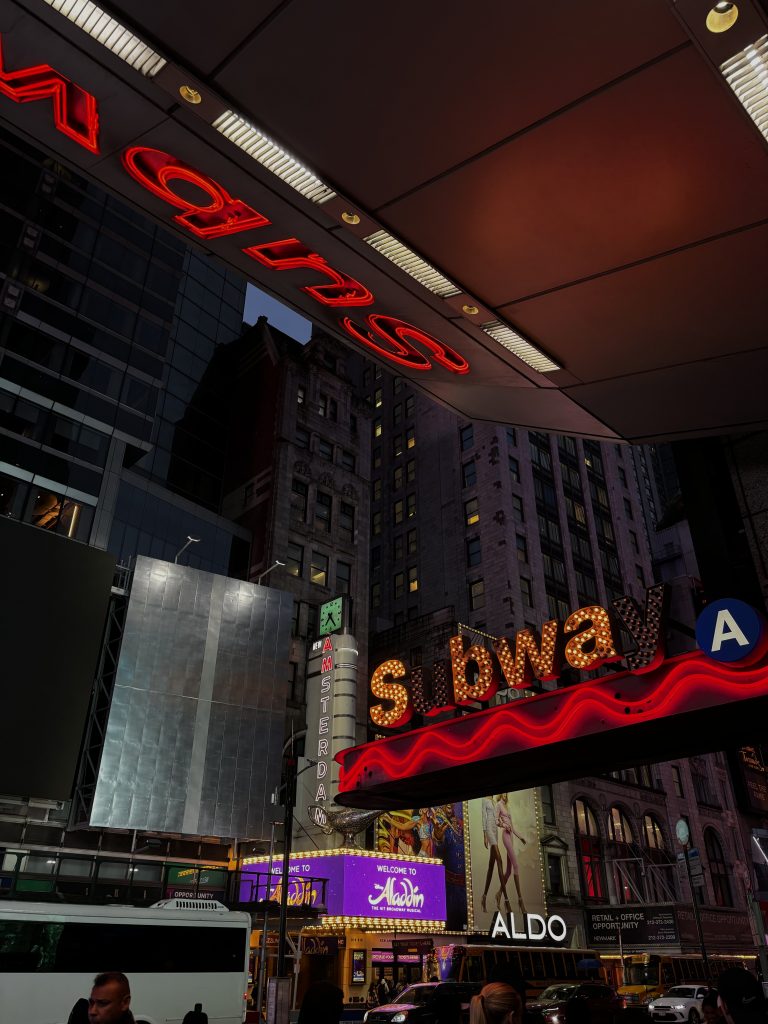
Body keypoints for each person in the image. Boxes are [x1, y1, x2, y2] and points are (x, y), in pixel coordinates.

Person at [496, 793, 528, 915]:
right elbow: (495, 820)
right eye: (503, 794)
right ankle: (520, 900)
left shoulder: (507, 807)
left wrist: (520, 837)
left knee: (509, 871)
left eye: (506, 794)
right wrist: (504, 825)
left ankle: (499, 894)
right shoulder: (498, 805)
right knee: (516, 866)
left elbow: (513, 827)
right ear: (501, 795)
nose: (504, 795)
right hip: (506, 836)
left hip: (512, 837)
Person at [480, 795, 504, 914]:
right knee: (499, 860)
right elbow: (484, 817)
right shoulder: (484, 800)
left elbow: (495, 818)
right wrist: (485, 835)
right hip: (489, 829)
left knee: (491, 865)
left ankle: (484, 896)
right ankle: (505, 898)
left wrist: (501, 823)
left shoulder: (494, 801)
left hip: (495, 830)